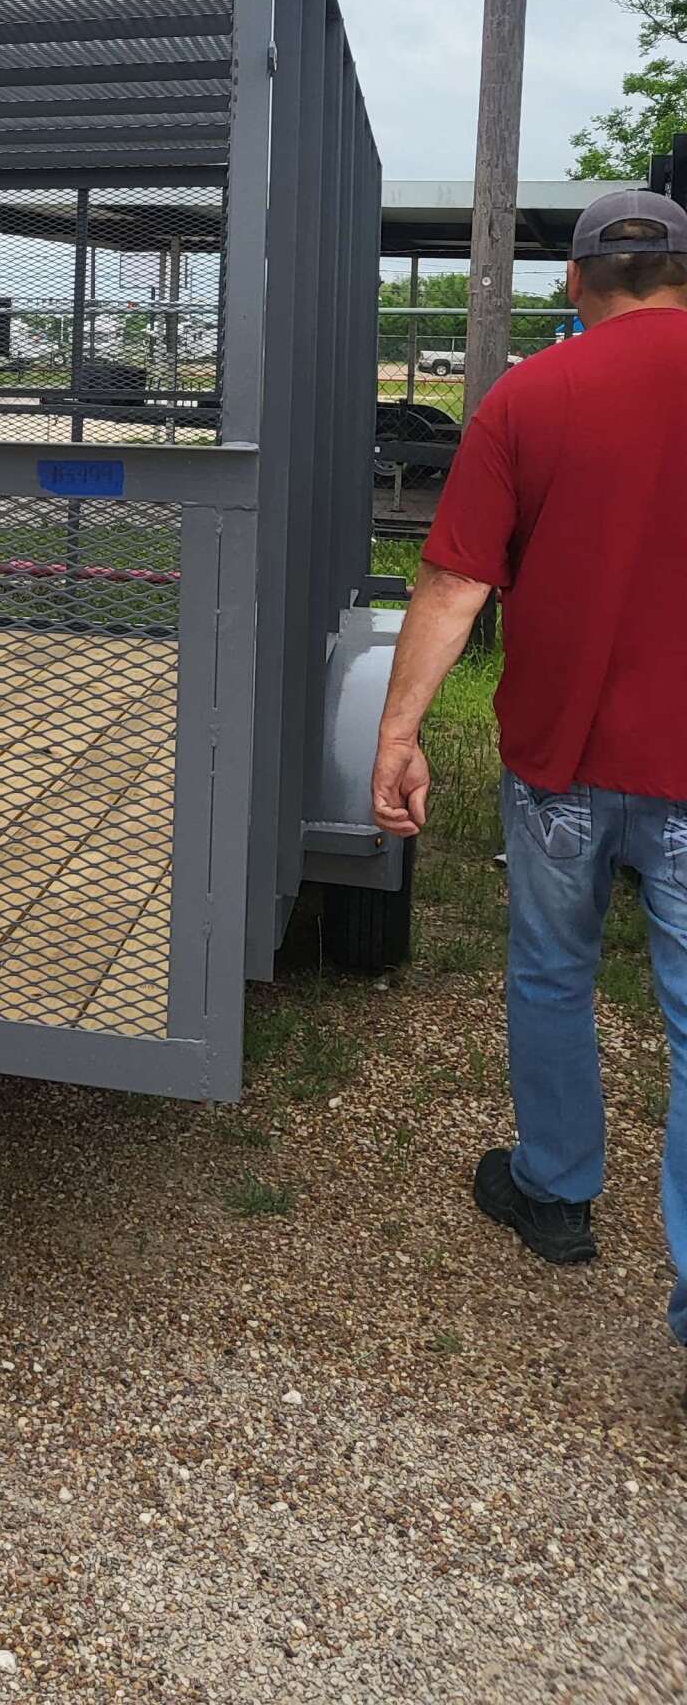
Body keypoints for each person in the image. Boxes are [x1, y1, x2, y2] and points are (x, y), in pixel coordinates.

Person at [369, 191, 687, 1364]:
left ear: (576, 281)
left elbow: (454, 585)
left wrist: (399, 734)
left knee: (551, 974)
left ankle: (554, 1191)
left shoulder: (527, 398)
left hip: (558, 763)